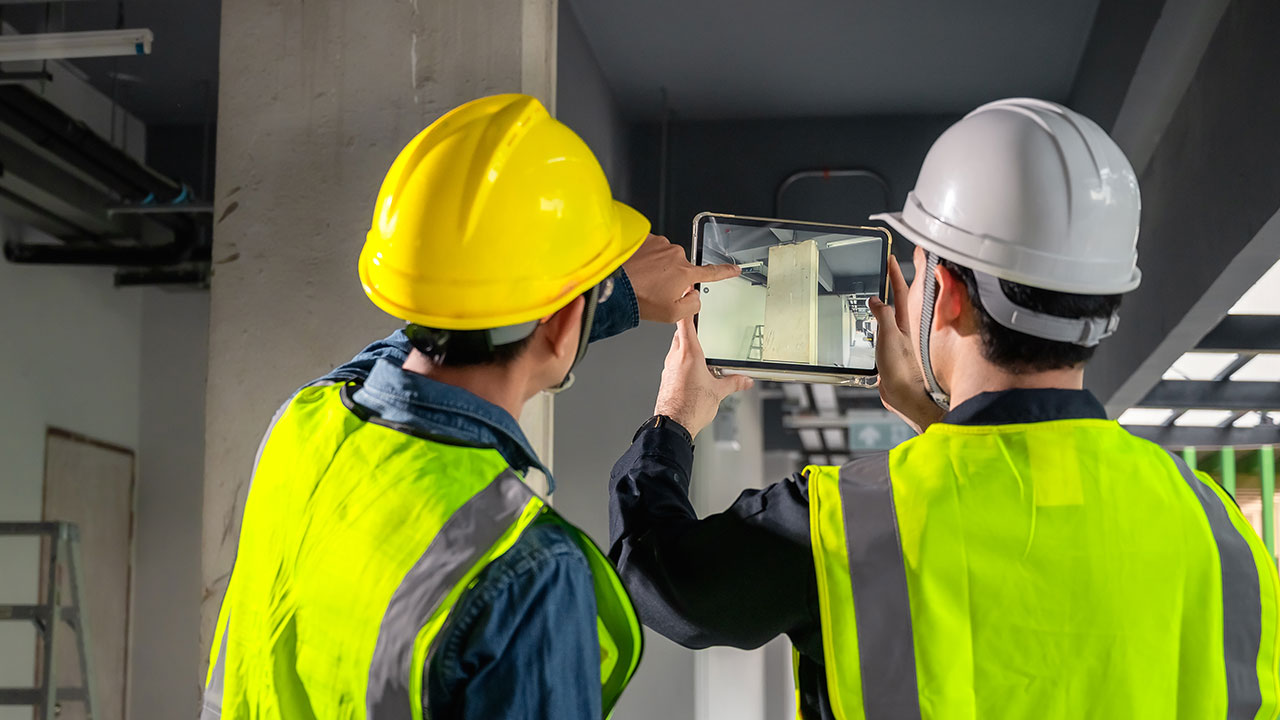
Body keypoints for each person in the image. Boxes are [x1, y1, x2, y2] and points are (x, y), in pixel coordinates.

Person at [609, 98, 1280, 719]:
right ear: (1103, 307)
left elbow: (659, 577)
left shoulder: (847, 521)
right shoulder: (1221, 531)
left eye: (921, 265)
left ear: (948, 295)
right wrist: (937, 424)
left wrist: (675, 418)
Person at [199, 94, 741, 720]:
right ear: (564, 322)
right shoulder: (527, 568)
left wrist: (595, 292)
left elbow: (410, 343)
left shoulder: (307, 419)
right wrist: (615, 314)